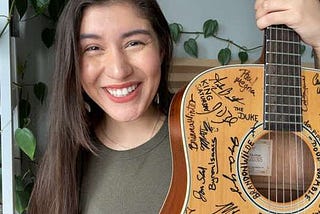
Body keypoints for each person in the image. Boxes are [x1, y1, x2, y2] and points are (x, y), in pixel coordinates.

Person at [28, 0, 320, 213]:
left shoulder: (223, 129)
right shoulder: (61, 166)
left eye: (134, 43)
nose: (118, 70)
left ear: (162, 47)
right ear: (73, 64)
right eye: (92, 48)